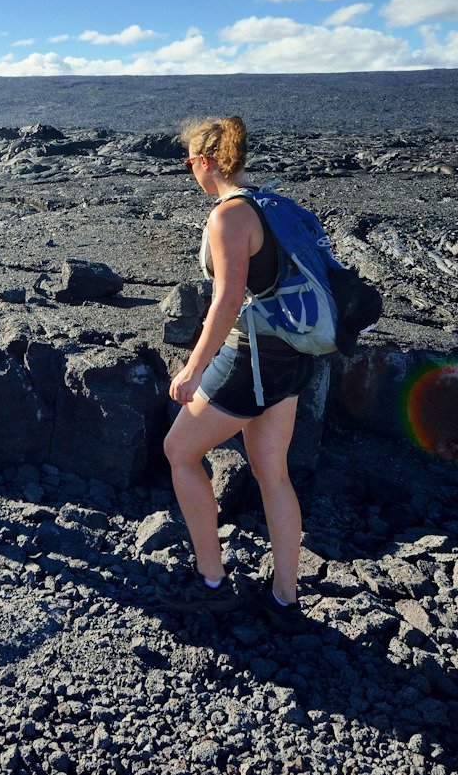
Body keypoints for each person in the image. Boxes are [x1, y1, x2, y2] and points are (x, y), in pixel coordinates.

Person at [162, 115, 315, 624]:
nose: (190, 173)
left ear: (206, 161)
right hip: (292, 359)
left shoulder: (228, 215)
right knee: (274, 475)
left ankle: (212, 581)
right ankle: (285, 598)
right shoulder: (277, 205)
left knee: (179, 451)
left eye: (189, 163)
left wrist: (193, 368)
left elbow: (227, 302)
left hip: (250, 360)